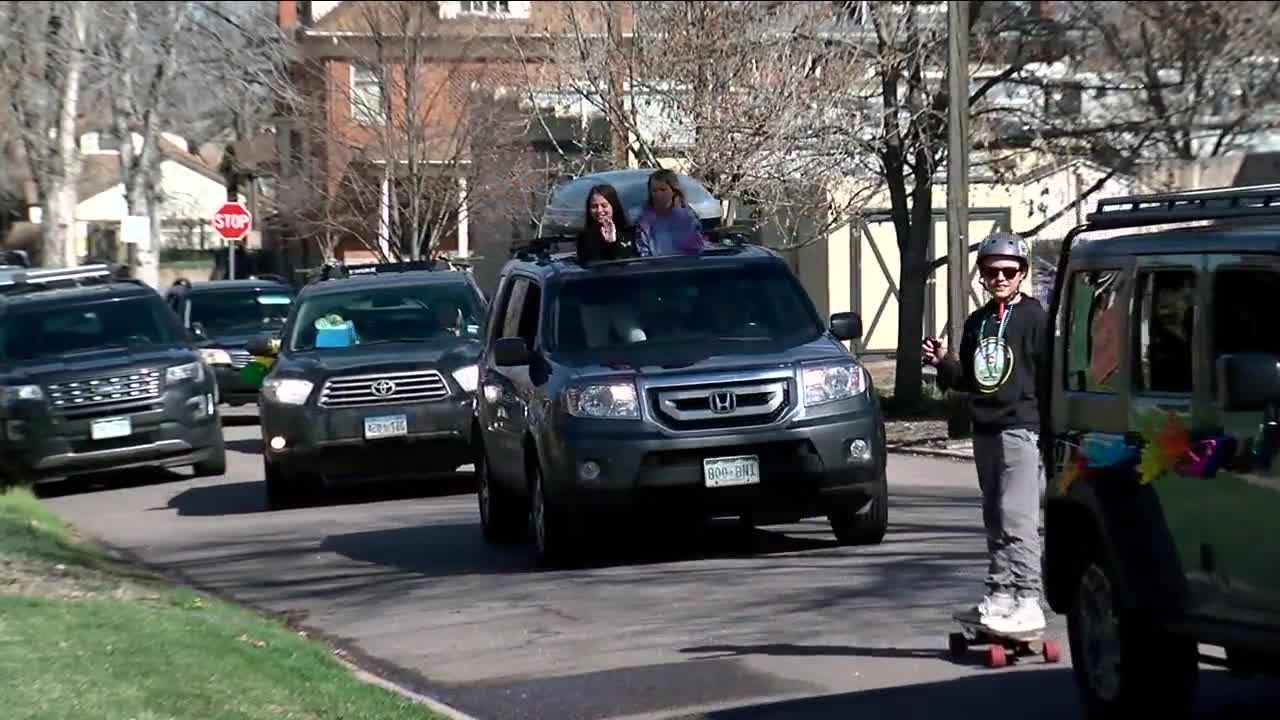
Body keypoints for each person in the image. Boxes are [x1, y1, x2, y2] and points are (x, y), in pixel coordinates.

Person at [921, 231, 1049, 635]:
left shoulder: (1034, 318)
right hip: (986, 430)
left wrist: (1051, 430)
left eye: (1009, 272)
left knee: (1018, 517)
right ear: (982, 275)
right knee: (994, 516)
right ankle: (1000, 594)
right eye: (992, 272)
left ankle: (1029, 598)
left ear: (1022, 274)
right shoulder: (977, 322)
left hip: (1021, 429)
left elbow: (1048, 375)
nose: (1000, 278)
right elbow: (970, 380)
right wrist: (943, 361)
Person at [635, 169, 705, 257]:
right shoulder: (646, 219)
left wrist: (678, 213)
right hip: (657, 266)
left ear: (674, 191)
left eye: (663, 190)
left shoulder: (687, 215)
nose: (658, 194)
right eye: (654, 190)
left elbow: (696, 245)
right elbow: (643, 248)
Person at [576, 184, 640, 265]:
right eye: (594, 206)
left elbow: (625, 263)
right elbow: (593, 265)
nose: (599, 210)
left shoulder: (629, 232)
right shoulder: (584, 237)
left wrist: (612, 242)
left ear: (613, 206)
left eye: (604, 205)